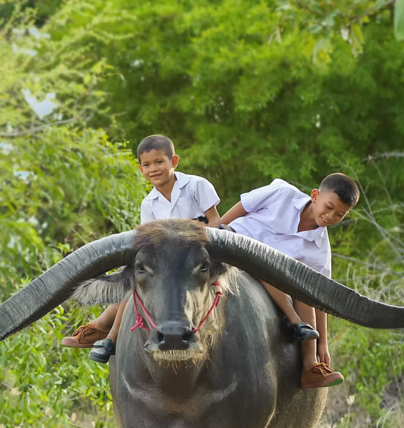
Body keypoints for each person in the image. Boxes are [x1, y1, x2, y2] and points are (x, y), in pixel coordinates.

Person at [61, 134, 222, 362]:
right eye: (147, 165)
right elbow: (150, 242)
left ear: (174, 161)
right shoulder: (149, 203)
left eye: (159, 162)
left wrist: (195, 246)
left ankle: (105, 330)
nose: (153, 169)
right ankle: (111, 339)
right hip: (165, 261)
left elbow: (215, 220)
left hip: (196, 256)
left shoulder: (196, 185)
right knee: (136, 278)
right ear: (141, 169)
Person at [220, 174, 359, 389]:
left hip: (272, 273)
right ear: (315, 196)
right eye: (328, 207)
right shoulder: (282, 194)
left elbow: (319, 296)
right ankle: (295, 321)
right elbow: (244, 206)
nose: (331, 216)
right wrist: (216, 231)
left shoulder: (320, 250)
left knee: (304, 287)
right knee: (266, 262)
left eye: (340, 214)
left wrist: (323, 341)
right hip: (237, 241)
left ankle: (310, 366)